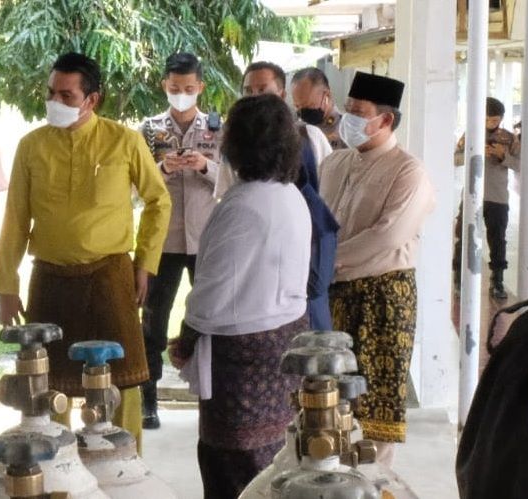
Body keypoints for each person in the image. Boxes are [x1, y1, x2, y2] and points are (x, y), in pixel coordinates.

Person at [0, 52, 171, 453]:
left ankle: (128, 463)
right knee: (46, 381)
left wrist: (145, 263)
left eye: (66, 95)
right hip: (50, 276)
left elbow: (159, 201)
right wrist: (6, 285)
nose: (55, 102)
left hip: (110, 274)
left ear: (92, 99)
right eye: (51, 93)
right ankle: (56, 463)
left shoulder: (124, 141)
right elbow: (15, 218)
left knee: (123, 379)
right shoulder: (31, 146)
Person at [169, 93, 311, 499]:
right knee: (276, 463)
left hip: (242, 356)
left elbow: (210, 295)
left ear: (234, 144)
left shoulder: (240, 205)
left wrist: (185, 341)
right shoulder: (291, 195)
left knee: (233, 467)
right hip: (287, 339)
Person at [319, 72, 435, 468]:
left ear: (385, 120)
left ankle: (374, 480)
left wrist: (326, 260)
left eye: (357, 112)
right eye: (347, 110)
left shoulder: (409, 171)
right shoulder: (334, 162)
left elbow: (387, 235)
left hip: (384, 296)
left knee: (376, 401)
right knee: (327, 393)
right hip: (332, 292)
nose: (346, 119)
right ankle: (328, 476)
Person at [138, 52, 220, 430]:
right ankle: (148, 398)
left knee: (211, 318)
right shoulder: (149, 129)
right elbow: (136, 185)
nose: (182, 94)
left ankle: (212, 395)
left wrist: (205, 166)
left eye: (188, 88)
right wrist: (163, 168)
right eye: (175, 88)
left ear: (200, 86)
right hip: (163, 240)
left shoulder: (218, 128)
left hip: (206, 239)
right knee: (153, 320)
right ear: (164, 86)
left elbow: (232, 178)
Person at [233, 60, 338, 330]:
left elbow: (328, 194)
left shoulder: (310, 136)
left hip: (306, 250)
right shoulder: (235, 141)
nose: (255, 96)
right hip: (258, 256)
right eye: (248, 90)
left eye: (262, 89)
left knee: (311, 336)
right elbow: (228, 197)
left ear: (281, 93)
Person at [453, 97, 520, 300]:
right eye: (488, 119)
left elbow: (521, 165)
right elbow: (455, 159)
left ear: (501, 118)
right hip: (472, 195)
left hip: (498, 198)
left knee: (497, 240)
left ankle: (497, 281)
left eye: (495, 120)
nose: (491, 123)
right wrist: (475, 152)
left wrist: (503, 156)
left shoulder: (509, 139)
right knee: (464, 237)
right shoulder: (471, 134)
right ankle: (459, 278)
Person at [291, 67, 346, 149]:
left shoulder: (346, 130)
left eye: (309, 105)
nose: (303, 112)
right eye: (297, 106)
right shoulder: (296, 131)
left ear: (327, 95)